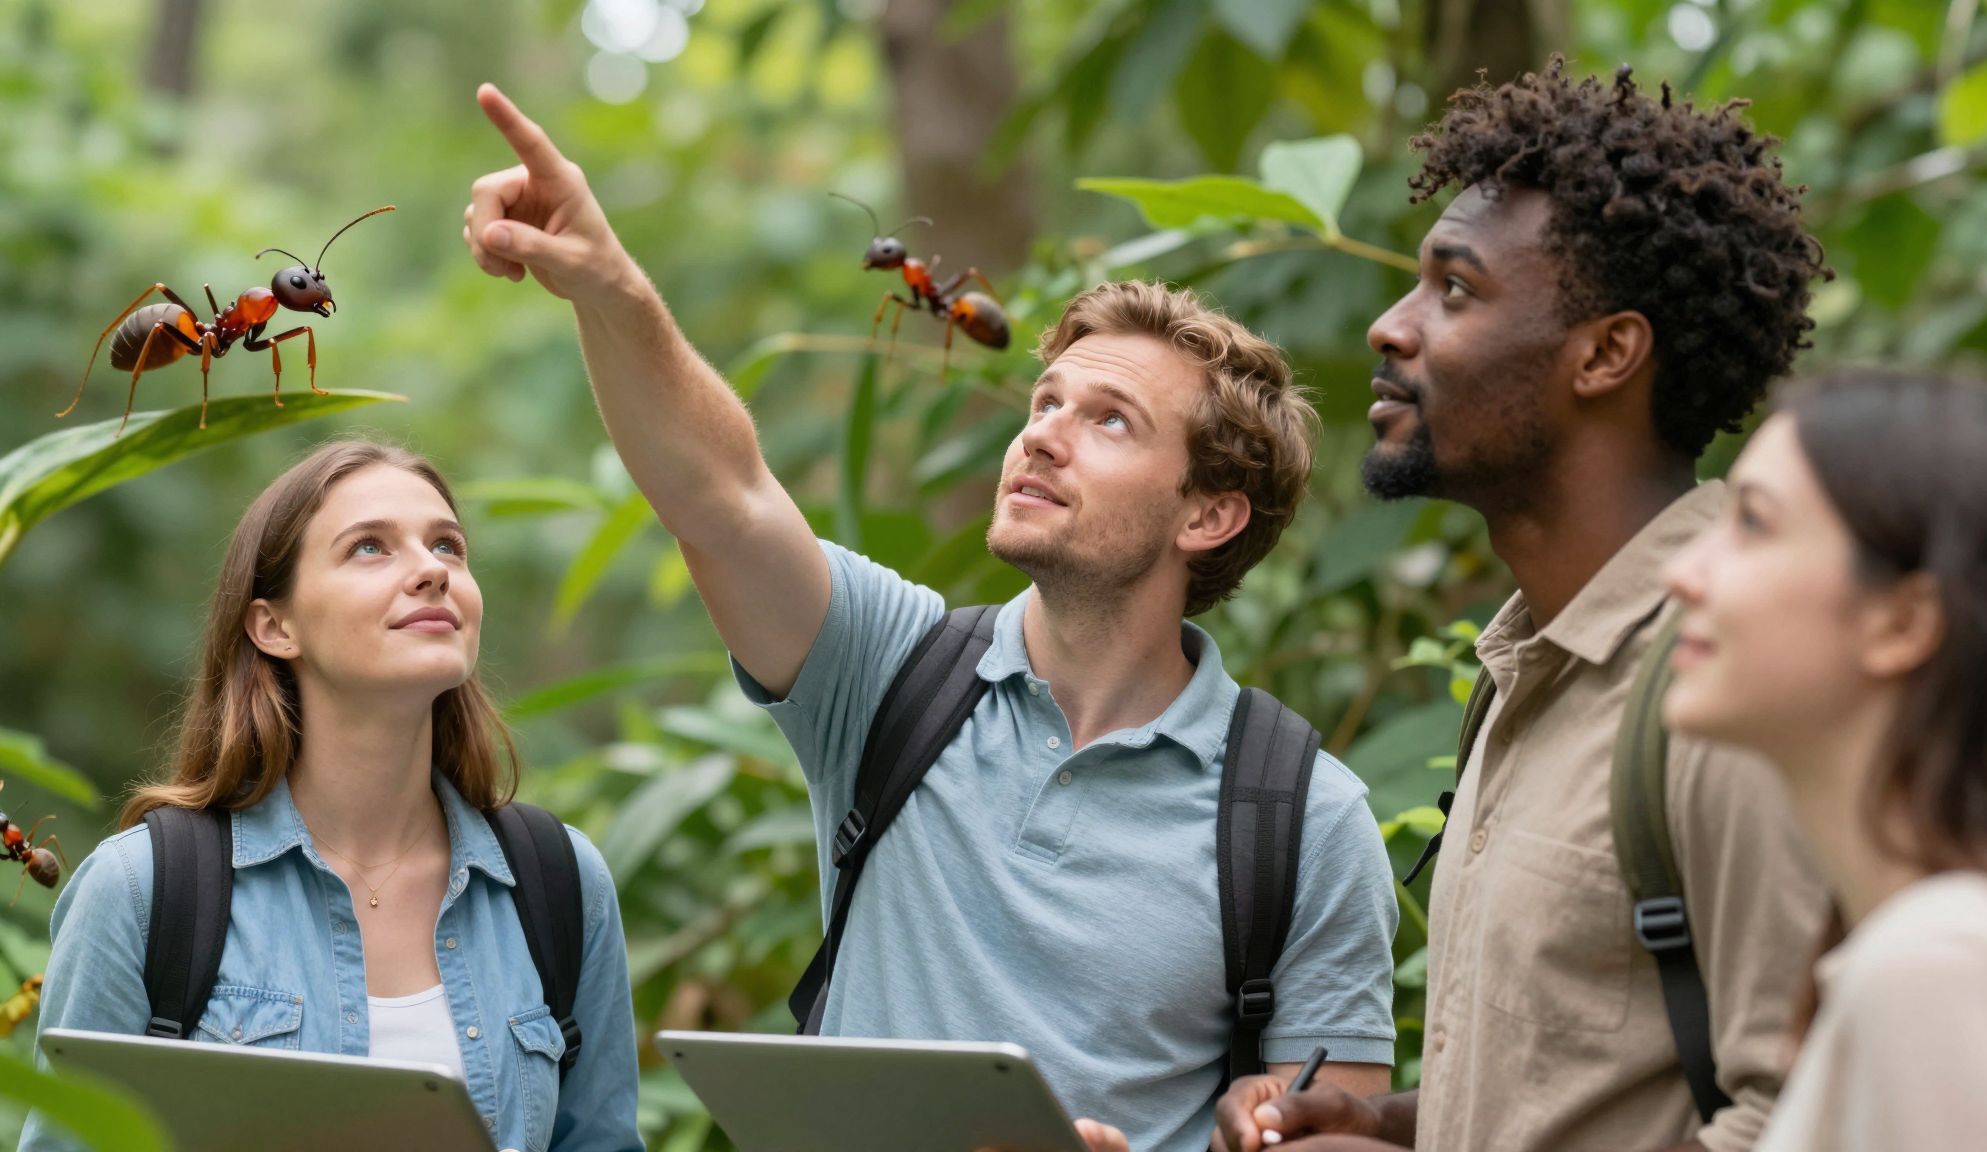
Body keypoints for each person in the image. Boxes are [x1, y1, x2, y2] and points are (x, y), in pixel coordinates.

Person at [461, 85, 1400, 1152]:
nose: (1042, 435)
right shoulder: (888, 669)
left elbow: (1336, 1130)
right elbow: (718, 494)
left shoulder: (1301, 817)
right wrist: (607, 284)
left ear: (1209, 513)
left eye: (1107, 421)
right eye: (1044, 401)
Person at [1215, 58, 1833, 1152]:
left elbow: (1809, 1120)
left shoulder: (1729, 681)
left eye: (1452, 289)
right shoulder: (1522, 670)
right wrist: (1381, 1124)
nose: (1389, 328)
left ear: (1604, 354)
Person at [20, 440, 640, 1152]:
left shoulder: (560, 882)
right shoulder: (143, 890)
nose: (432, 570)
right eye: (370, 548)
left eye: (448, 546)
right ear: (274, 627)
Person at [1662, 370, 1987, 1151]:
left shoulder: (1942, 968)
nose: (1684, 573)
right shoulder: (1930, 949)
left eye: (1753, 525)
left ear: (1903, 621)